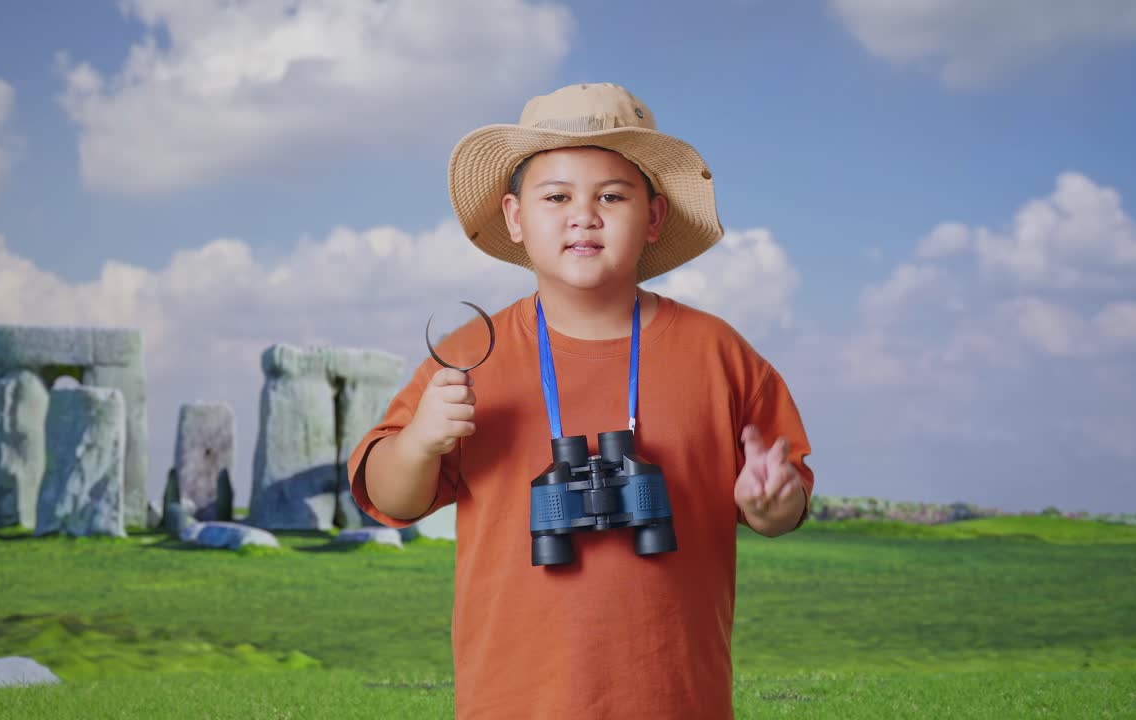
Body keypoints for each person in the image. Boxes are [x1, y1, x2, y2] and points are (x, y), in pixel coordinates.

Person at [346, 82, 815, 719]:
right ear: (515, 217)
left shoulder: (717, 353)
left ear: (654, 218)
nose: (583, 215)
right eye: (557, 196)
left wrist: (774, 500)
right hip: (514, 700)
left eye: (612, 196)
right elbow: (391, 498)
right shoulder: (470, 352)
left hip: (675, 699)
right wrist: (420, 441)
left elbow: (783, 508)